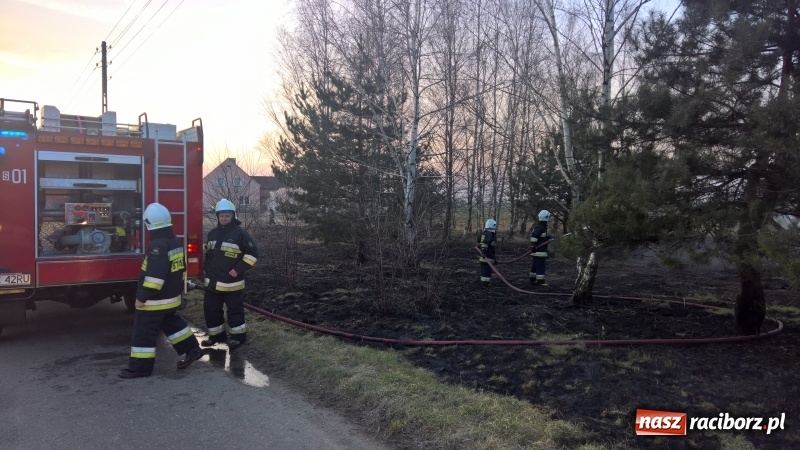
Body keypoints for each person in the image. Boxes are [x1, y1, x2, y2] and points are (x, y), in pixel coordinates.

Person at [119, 203, 204, 379]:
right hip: (170, 298)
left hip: (154, 301)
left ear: (149, 224)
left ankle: (140, 368)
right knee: (171, 323)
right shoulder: (174, 241)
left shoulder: (157, 246)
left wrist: (142, 297)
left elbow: (155, 277)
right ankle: (192, 349)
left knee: (143, 333)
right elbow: (180, 268)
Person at [202, 199, 259, 350]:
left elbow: (253, 254)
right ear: (217, 217)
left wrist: (238, 269)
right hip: (213, 283)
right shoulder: (213, 233)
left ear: (233, 216)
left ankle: (238, 337)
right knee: (211, 310)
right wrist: (205, 269)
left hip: (232, 283)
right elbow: (209, 254)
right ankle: (216, 336)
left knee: (235, 311)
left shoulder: (241, 234)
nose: (224, 218)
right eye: (221, 216)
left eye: (227, 216)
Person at [530, 210, 553, 287]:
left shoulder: (541, 227)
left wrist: (548, 238)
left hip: (537, 251)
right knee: (540, 267)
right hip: (539, 251)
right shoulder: (540, 227)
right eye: (548, 217)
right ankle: (540, 282)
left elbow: (541, 237)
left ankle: (532, 279)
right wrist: (533, 245)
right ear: (546, 217)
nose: (549, 218)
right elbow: (534, 237)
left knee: (535, 266)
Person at [478, 218, 497, 286]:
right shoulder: (489, 234)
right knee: (486, 271)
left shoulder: (485, 233)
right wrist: (484, 252)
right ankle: (485, 283)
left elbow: (479, 242)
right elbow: (485, 243)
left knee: (485, 270)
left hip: (485, 257)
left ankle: (485, 282)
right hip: (487, 257)